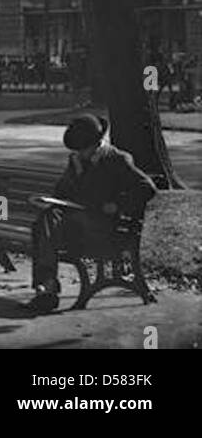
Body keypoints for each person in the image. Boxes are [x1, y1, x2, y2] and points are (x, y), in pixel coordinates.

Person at [26, 113, 157, 314]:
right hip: (78, 222)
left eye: (82, 150)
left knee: (45, 226)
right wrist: (73, 177)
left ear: (96, 144)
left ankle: (47, 289)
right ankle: (47, 288)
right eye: (76, 150)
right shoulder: (77, 160)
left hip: (105, 225)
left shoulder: (117, 159)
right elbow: (61, 194)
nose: (79, 153)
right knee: (45, 219)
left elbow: (147, 188)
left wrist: (117, 205)